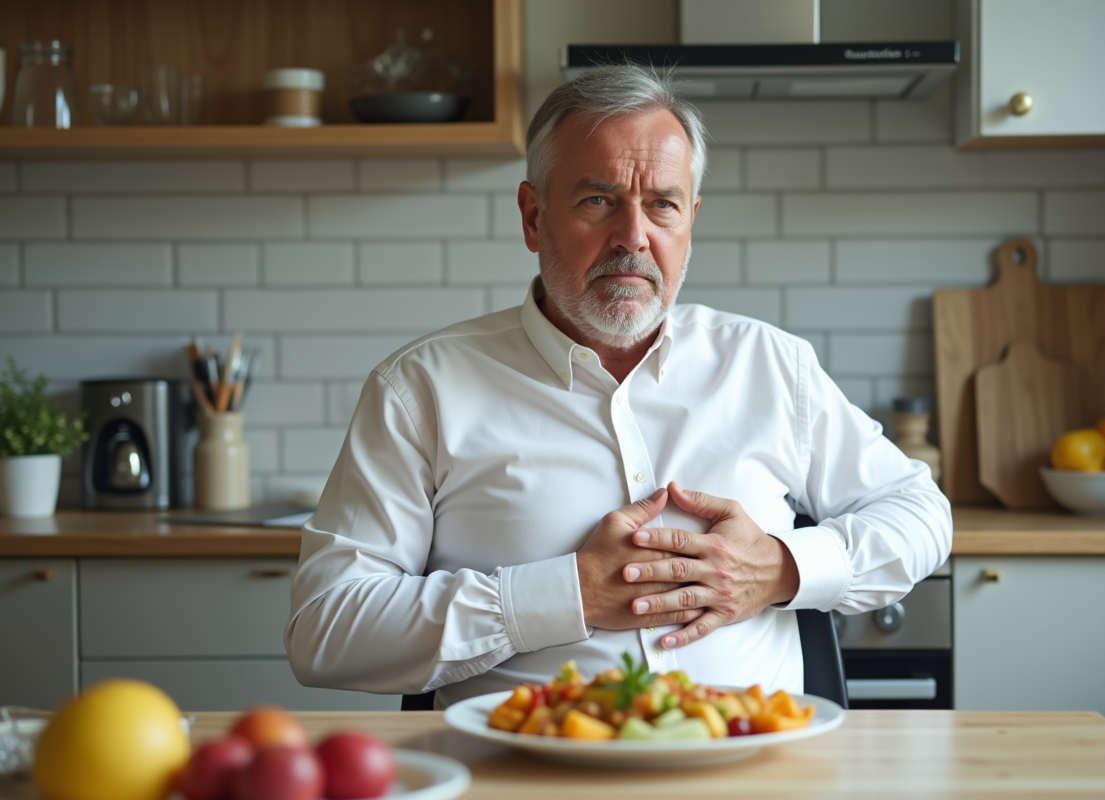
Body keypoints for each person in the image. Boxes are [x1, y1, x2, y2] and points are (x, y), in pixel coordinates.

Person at [285, 65, 952, 709]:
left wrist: (777, 569)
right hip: (522, 777)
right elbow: (327, 631)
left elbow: (920, 514)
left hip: (752, 769)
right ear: (531, 216)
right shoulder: (420, 391)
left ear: (690, 221)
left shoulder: (770, 365)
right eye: (598, 199)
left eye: (662, 206)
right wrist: (565, 594)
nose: (632, 237)